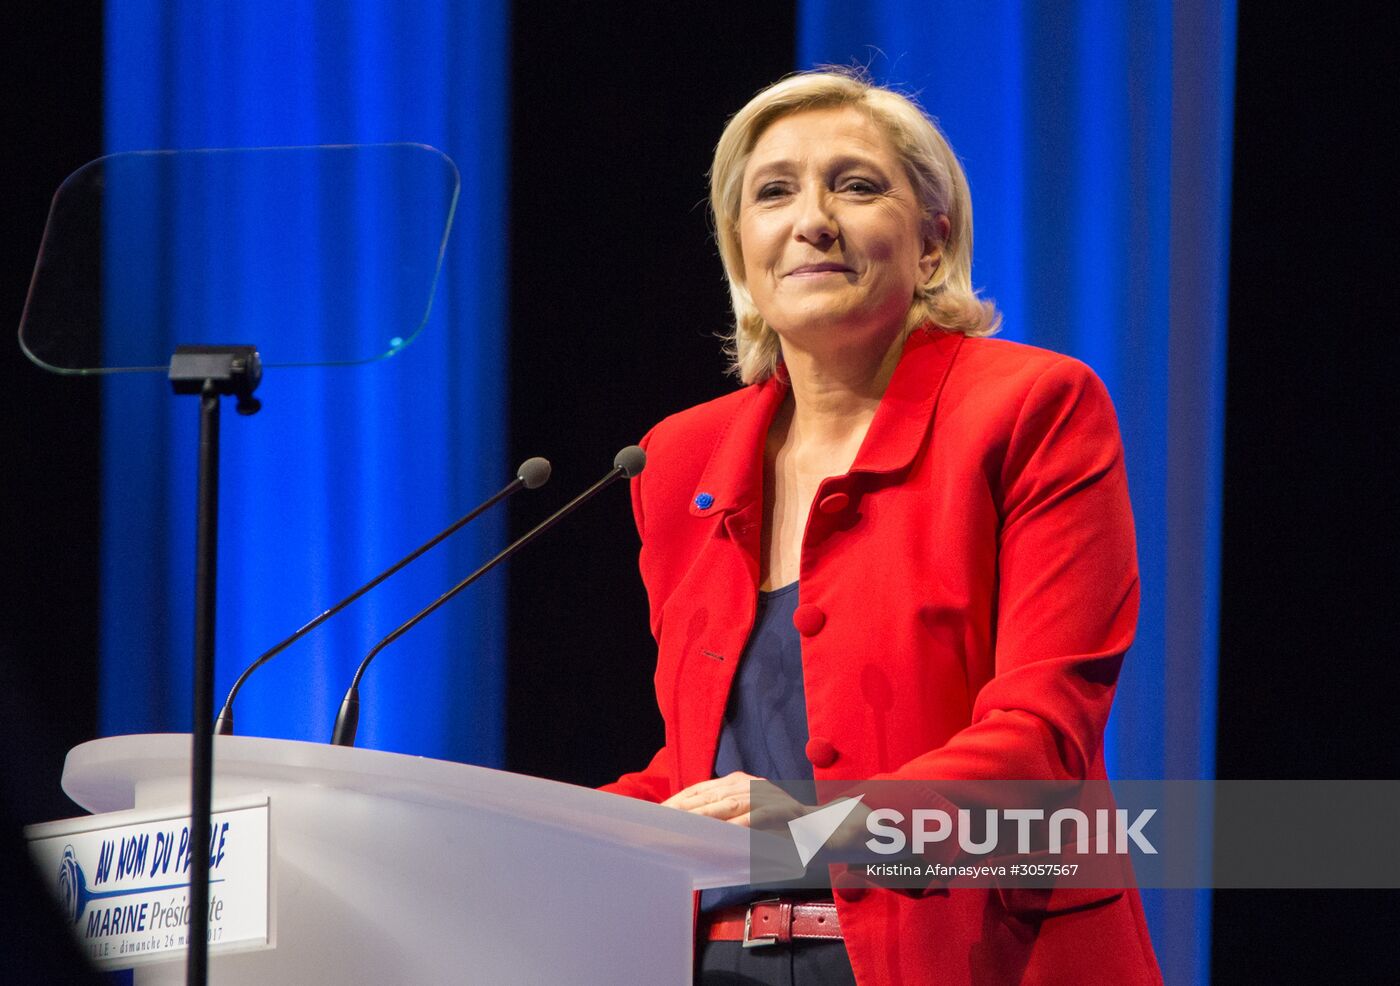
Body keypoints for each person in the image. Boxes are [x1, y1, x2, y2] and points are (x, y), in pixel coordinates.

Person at [601, 69, 1162, 986]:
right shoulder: (678, 460)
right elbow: (701, 766)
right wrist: (516, 826)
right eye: (773, 192)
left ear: (933, 243)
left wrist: (818, 823)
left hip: (970, 952)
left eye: (855, 186)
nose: (811, 218)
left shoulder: (1030, 409)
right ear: (742, 253)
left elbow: (1040, 742)